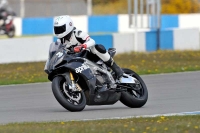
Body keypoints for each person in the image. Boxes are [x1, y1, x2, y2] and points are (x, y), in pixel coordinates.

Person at [50, 15, 124, 81]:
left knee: (96, 47)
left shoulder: (77, 33)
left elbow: (91, 41)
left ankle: (116, 68)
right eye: (57, 29)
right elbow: (57, 50)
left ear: (69, 26)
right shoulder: (60, 41)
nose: (58, 31)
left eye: (60, 29)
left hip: (89, 55)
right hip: (76, 59)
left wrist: (82, 46)